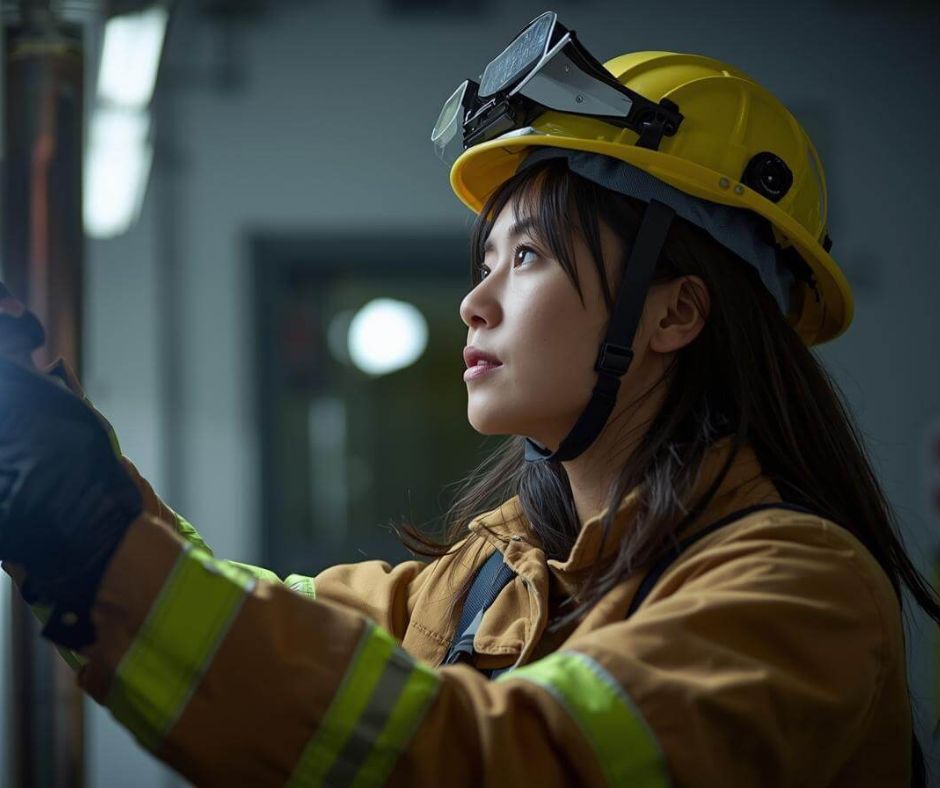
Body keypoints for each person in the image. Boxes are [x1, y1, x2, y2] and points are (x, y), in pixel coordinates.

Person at [0, 11, 936, 787]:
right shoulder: (507, 568)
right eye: (484, 261)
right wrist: (58, 443)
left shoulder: (799, 591)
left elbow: (508, 759)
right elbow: (263, 625)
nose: (473, 301)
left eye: (525, 256)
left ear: (676, 312)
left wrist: (85, 532)